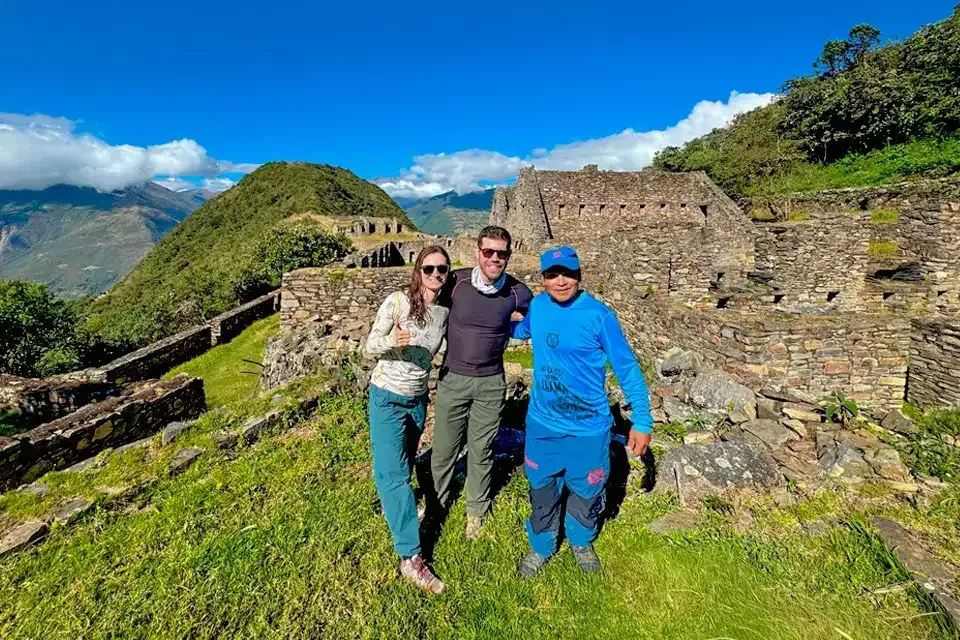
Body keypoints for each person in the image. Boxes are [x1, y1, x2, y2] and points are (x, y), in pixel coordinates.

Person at [511, 246, 653, 577]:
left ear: (579, 275)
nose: (561, 281)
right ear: (543, 279)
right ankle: (542, 546)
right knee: (542, 487)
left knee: (587, 490)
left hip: (588, 428)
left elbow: (627, 368)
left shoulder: (599, 316)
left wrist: (642, 420)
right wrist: (488, 322)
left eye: (568, 274)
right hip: (544, 425)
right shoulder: (539, 305)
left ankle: (580, 539)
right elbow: (522, 330)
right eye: (552, 274)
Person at [430, 226, 533, 540]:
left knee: (481, 450)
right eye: (488, 251)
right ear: (478, 252)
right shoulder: (456, 283)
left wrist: (513, 332)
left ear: (508, 256)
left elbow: (534, 320)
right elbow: (425, 301)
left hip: (490, 382)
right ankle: (438, 504)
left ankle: (476, 512)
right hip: (453, 379)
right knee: (444, 450)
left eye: (501, 253)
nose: (494, 258)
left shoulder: (517, 292)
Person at [365, 245, 452, 594]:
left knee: (405, 464)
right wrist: (390, 340)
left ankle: (394, 508)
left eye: (442, 270)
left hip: (417, 398)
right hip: (386, 396)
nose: (435, 275)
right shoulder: (397, 302)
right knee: (394, 474)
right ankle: (411, 558)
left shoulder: (443, 311)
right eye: (428, 269)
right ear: (418, 271)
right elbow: (368, 345)